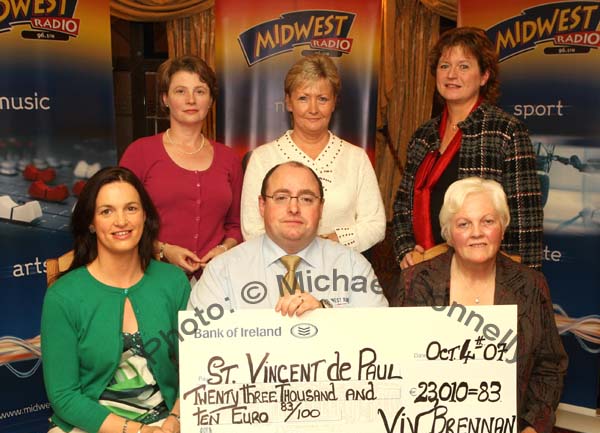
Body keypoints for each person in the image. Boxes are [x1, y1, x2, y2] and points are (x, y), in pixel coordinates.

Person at [189, 161, 393, 433]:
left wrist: (328, 317)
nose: (294, 208)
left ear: (322, 208)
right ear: (261, 205)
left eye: (306, 198)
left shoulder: (353, 266)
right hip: (252, 430)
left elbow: (383, 343)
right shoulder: (223, 271)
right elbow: (199, 353)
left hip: (339, 427)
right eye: (281, 197)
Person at [391, 177, 567, 433]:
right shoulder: (417, 282)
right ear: (449, 232)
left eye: (487, 221)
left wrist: (532, 430)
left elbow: (549, 367)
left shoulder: (529, 286)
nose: (476, 232)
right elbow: (394, 364)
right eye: (464, 223)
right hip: (436, 431)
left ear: (502, 226)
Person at [41, 167, 191, 433]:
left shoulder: (174, 282)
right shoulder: (64, 295)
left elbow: (196, 369)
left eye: (131, 208)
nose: (121, 220)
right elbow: (64, 395)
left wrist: (172, 426)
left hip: (163, 425)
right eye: (107, 211)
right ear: (91, 222)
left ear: (145, 216)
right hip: (83, 429)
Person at [392, 27, 543, 270]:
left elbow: (527, 223)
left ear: (484, 76)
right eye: (444, 66)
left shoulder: (506, 131)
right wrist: (405, 249)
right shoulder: (423, 135)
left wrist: (522, 285)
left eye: (463, 66)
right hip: (423, 271)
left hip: (485, 274)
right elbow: (402, 205)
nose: (452, 75)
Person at [241, 54, 386, 253]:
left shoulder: (356, 158)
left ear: (334, 102)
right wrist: (298, 252)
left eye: (322, 99)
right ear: (288, 102)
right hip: (279, 273)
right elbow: (252, 229)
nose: (313, 109)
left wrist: (331, 243)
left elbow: (375, 224)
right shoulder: (262, 158)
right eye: (303, 98)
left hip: (341, 270)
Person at [120, 55, 242, 278]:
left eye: (200, 91)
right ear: (165, 98)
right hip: (151, 277)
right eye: (180, 91)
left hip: (216, 282)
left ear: (211, 100)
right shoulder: (140, 153)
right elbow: (122, 222)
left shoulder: (229, 158)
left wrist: (224, 249)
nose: (191, 100)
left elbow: (235, 225)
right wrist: (164, 250)